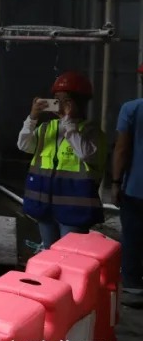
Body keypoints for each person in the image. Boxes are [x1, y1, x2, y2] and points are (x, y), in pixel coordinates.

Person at [18, 71, 107, 250]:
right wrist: (32, 118)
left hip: (74, 211)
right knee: (49, 252)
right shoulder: (46, 128)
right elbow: (24, 145)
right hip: (44, 207)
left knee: (69, 257)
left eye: (65, 100)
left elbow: (86, 154)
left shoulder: (91, 132)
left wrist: (68, 122)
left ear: (79, 102)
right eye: (56, 99)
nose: (59, 104)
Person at [113, 64, 143, 295]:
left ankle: (133, 288)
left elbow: (122, 149)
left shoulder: (132, 109)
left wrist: (115, 182)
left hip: (135, 188)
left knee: (133, 237)